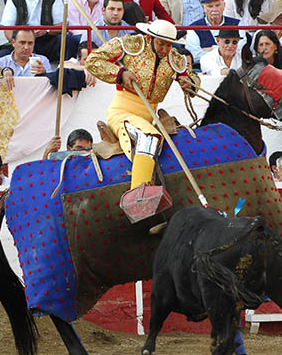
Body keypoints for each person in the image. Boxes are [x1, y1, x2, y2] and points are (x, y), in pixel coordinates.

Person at [85, 19, 199, 220]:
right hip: (123, 110)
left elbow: (193, 82)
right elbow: (93, 61)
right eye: (160, 43)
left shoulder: (176, 59)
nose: (164, 49)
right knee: (149, 136)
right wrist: (120, 73)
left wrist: (189, 83)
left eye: (169, 44)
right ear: (150, 37)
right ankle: (138, 196)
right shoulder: (130, 45)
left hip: (150, 113)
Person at [0, 0, 78, 62]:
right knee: (2, 54)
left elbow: (62, 25)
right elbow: (7, 29)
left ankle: (65, 73)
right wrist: (20, 40)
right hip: (24, 42)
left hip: (46, 40)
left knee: (68, 41)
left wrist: (46, 30)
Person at [185, 0, 239, 64]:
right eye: (210, 6)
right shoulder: (193, 28)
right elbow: (194, 55)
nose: (214, 9)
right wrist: (224, 52)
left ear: (224, 5)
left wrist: (211, 49)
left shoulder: (237, 24)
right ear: (203, 8)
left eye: (218, 5)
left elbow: (240, 51)